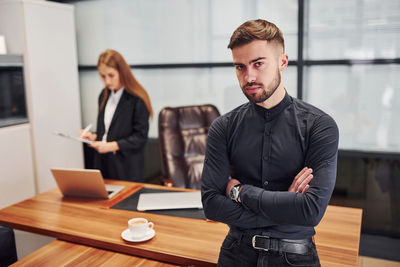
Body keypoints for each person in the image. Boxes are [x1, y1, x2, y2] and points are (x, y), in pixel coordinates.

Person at [201, 19, 339, 266]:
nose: (249, 76)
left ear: (282, 62)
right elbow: (211, 204)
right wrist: (285, 206)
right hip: (236, 251)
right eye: (240, 67)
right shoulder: (223, 127)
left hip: (296, 255)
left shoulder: (320, 126)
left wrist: (239, 192)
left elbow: (310, 211)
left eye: (258, 64)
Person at [80, 49, 153, 182]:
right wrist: (93, 136)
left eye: (111, 75)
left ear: (122, 72)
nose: (107, 81)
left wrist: (111, 146)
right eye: (102, 76)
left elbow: (140, 137)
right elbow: (109, 131)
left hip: (125, 168)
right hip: (103, 166)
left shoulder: (137, 99)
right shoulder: (104, 95)